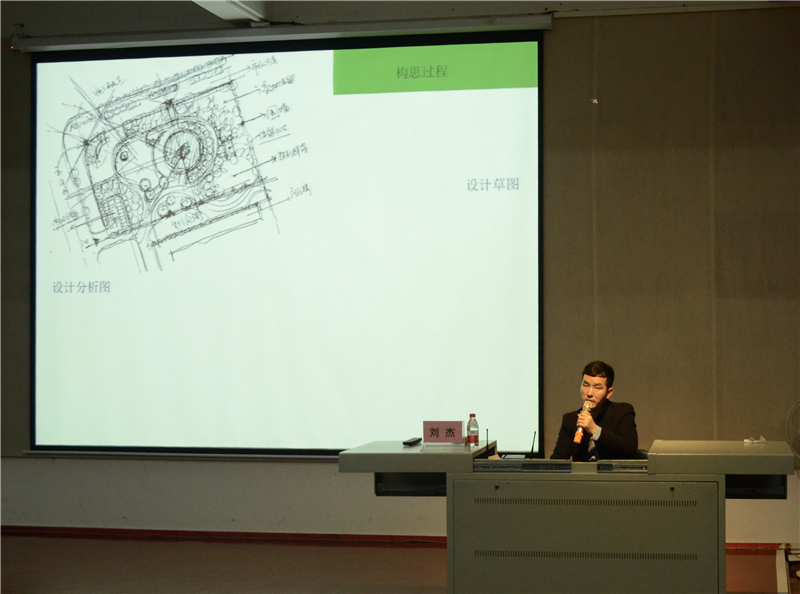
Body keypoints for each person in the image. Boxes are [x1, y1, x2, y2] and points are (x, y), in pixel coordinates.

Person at [550, 361, 638, 461]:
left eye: (597, 388)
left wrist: (595, 430)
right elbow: (558, 458)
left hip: (612, 471)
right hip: (582, 471)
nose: (589, 393)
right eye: (586, 385)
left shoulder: (621, 412)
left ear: (609, 392)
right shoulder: (570, 419)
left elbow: (630, 448)